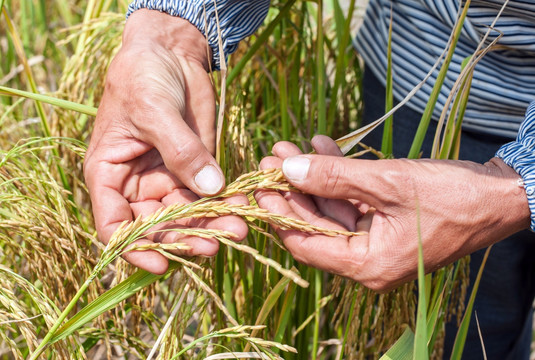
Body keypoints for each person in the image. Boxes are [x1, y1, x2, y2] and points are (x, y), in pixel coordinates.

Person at [83, 0, 535, 358]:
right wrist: (172, 32)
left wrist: (517, 186)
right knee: (454, 319)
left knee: (477, 314)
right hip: (416, 61)